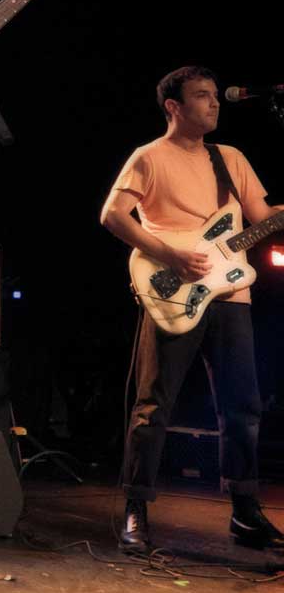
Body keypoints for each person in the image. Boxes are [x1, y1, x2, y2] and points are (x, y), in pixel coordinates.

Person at [101, 65, 284, 552]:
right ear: (174, 107)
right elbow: (112, 215)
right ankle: (136, 510)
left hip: (232, 296)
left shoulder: (231, 158)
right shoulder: (149, 157)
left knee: (242, 406)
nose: (214, 103)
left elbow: (263, 220)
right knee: (154, 404)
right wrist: (170, 254)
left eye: (214, 96)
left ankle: (244, 512)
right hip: (171, 290)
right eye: (201, 96)